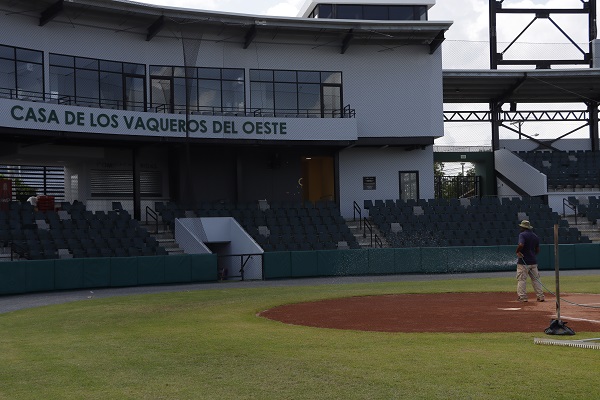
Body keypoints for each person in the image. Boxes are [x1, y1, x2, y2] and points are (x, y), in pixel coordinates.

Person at [515, 220, 544, 302]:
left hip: (523, 262)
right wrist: (532, 255)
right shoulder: (535, 236)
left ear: (523, 227)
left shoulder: (522, 234)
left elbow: (521, 244)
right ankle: (540, 296)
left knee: (522, 280)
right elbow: (537, 249)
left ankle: (523, 297)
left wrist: (517, 251)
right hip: (533, 262)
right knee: (536, 280)